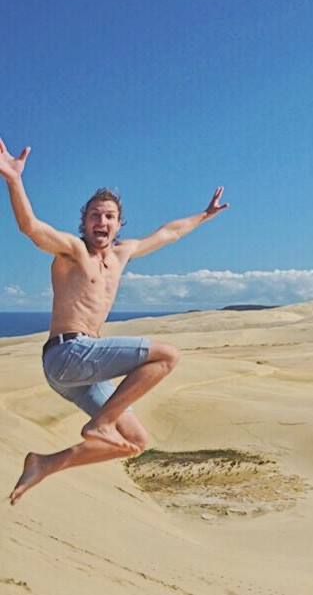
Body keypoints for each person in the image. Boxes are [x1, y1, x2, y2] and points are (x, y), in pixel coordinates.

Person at [1, 134, 229, 505]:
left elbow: (169, 233)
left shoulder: (122, 255)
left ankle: (44, 464)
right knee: (167, 356)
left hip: (79, 373)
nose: (101, 221)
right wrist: (13, 179)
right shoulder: (73, 252)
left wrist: (203, 216)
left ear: (119, 225)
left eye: (109, 217)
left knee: (135, 442)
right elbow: (31, 228)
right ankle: (101, 423)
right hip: (67, 354)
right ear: (84, 222)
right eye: (94, 215)